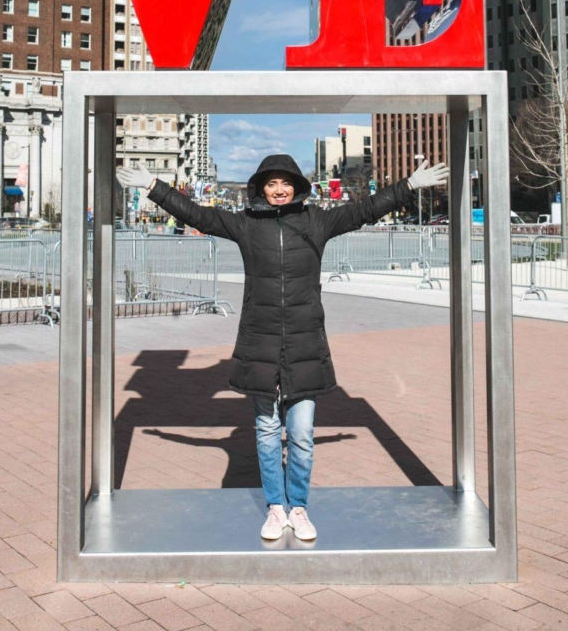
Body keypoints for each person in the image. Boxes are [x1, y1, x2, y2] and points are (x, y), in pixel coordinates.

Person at [117, 153, 448, 541]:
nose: (279, 190)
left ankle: (299, 508)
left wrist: (409, 185)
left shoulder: (317, 221)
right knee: (266, 430)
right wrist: (153, 186)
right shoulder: (245, 224)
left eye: (286, 183)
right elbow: (197, 215)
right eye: (272, 183)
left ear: (297, 187)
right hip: (260, 340)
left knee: (302, 434)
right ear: (261, 188)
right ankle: (276, 508)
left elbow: (365, 210)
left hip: (306, 341)